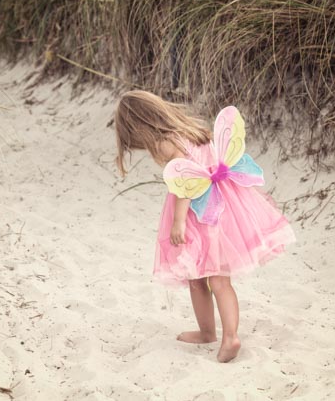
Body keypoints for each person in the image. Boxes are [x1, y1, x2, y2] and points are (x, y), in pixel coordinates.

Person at [114, 90, 295, 362]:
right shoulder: (192, 129)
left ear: (139, 126)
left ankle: (208, 332)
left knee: (198, 281)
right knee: (221, 280)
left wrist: (177, 222)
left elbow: (186, 182)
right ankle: (229, 335)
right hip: (222, 207)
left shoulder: (166, 142)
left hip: (197, 215)